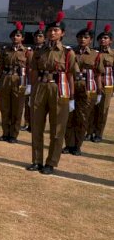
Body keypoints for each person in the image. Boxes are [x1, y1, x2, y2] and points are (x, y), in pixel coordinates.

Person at [27, 12, 78, 174]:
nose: (52, 33)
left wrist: (72, 97)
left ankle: (51, 163)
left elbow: (70, 75)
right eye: (50, 30)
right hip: (41, 87)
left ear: (62, 33)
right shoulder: (39, 51)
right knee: (36, 127)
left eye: (56, 30)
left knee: (57, 129)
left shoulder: (68, 53)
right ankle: (37, 160)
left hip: (59, 88)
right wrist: (32, 91)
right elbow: (34, 72)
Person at [62, 22, 103, 156]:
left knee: (82, 118)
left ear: (90, 40)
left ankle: (77, 146)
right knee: (69, 116)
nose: (82, 39)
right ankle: (68, 144)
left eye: (85, 37)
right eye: (80, 37)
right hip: (72, 86)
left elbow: (98, 74)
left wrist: (99, 92)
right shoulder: (70, 52)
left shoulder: (96, 55)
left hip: (87, 88)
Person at [0, 22, 32, 143]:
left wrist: (29, 84)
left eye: (18, 35)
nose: (15, 37)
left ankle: (13, 134)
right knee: (5, 108)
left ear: (22, 38)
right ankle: (5, 132)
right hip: (6, 79)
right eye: (13, 35)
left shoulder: (27, 52)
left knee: (17, 109)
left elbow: (30, 69)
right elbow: (1, 66)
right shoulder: (5, 50)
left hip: (20, 80)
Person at [90, 24, 113, 142]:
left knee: (103, 110)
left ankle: (98, 133)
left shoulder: (112, 54)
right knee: (92, 108)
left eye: (105, 38)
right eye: (101, 38)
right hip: (93, 83)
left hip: (107, 85)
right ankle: (89, 131)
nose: (103, 40)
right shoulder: (93, 52)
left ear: (110, 41)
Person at [22, 23, 46, 132]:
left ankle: (35, 124)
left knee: (38, 104)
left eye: (40, 36)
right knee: (28, 103)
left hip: (41, 80)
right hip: (30, 79)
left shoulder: (46, 51)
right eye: (36, 36)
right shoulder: (29, 50)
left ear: (44, 38)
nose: (37, 38)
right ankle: (27, 123)